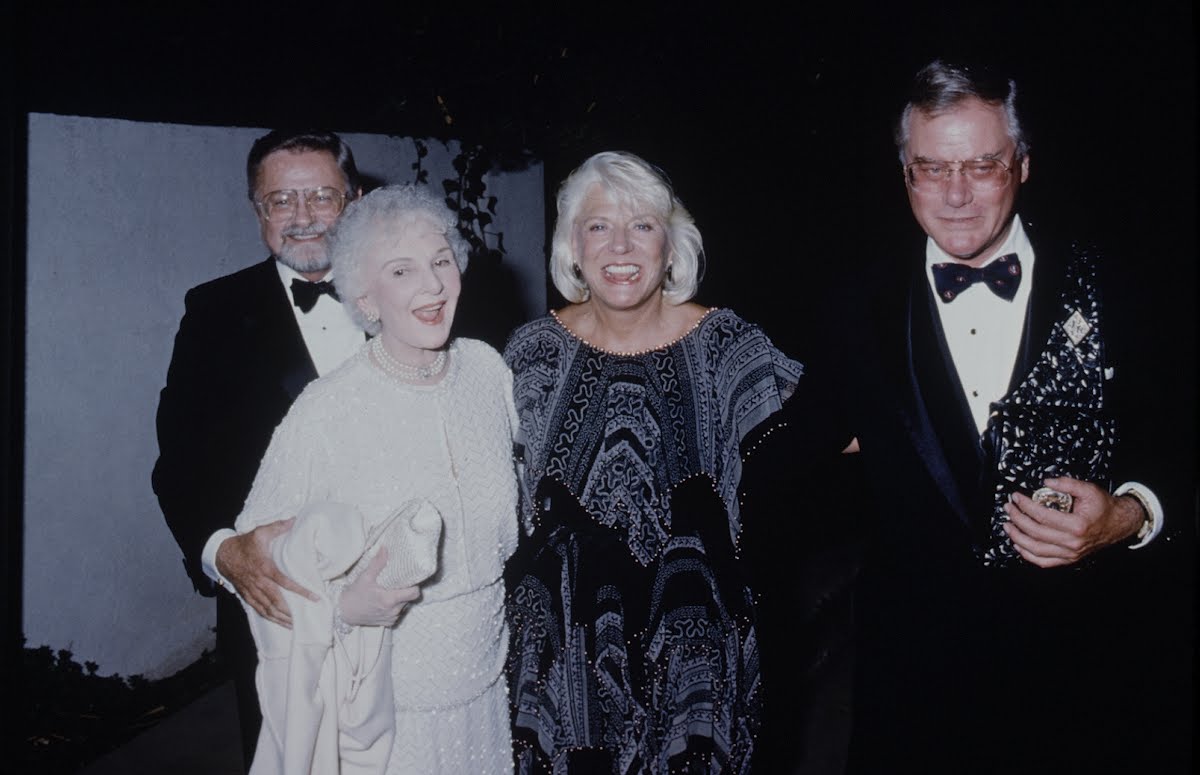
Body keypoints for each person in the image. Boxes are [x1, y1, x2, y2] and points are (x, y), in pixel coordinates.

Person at [786, 60, 1192, 774]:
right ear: (905, 173)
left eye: (982, 165)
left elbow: (1178, 443)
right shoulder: (852, 307)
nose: (956, 194)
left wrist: (1127, 516)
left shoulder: (1118, 285)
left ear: (1023, 165)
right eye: (932, 168)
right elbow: (788, 448)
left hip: (1085, 689)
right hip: (912, 699)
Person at [503, 150, 804, 773]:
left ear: (672, 247)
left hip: (695, 669)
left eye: (642, 225)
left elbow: (838, 427)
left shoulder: (726, 345)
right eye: (599, 226)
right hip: (558, 672)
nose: (621, 246)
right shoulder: (530, 353)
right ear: (572, 246)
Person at [234, 183, 520, 773]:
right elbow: (258, 565)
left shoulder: (489, 372)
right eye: (402, 271)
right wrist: (344, 607)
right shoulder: (327, 409)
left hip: (492, 690)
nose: (433, 285)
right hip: (383, 709)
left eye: (441, 261)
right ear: (365, 297)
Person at [152, 129, 367, 769]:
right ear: (257, 211)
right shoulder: (213, 312)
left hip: (405, 593)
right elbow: (179, 463)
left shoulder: (414, 289)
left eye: (322, 196)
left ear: (354, 200)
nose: (303, 217)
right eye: (281, 200)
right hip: (275, 601)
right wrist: (222, 552)